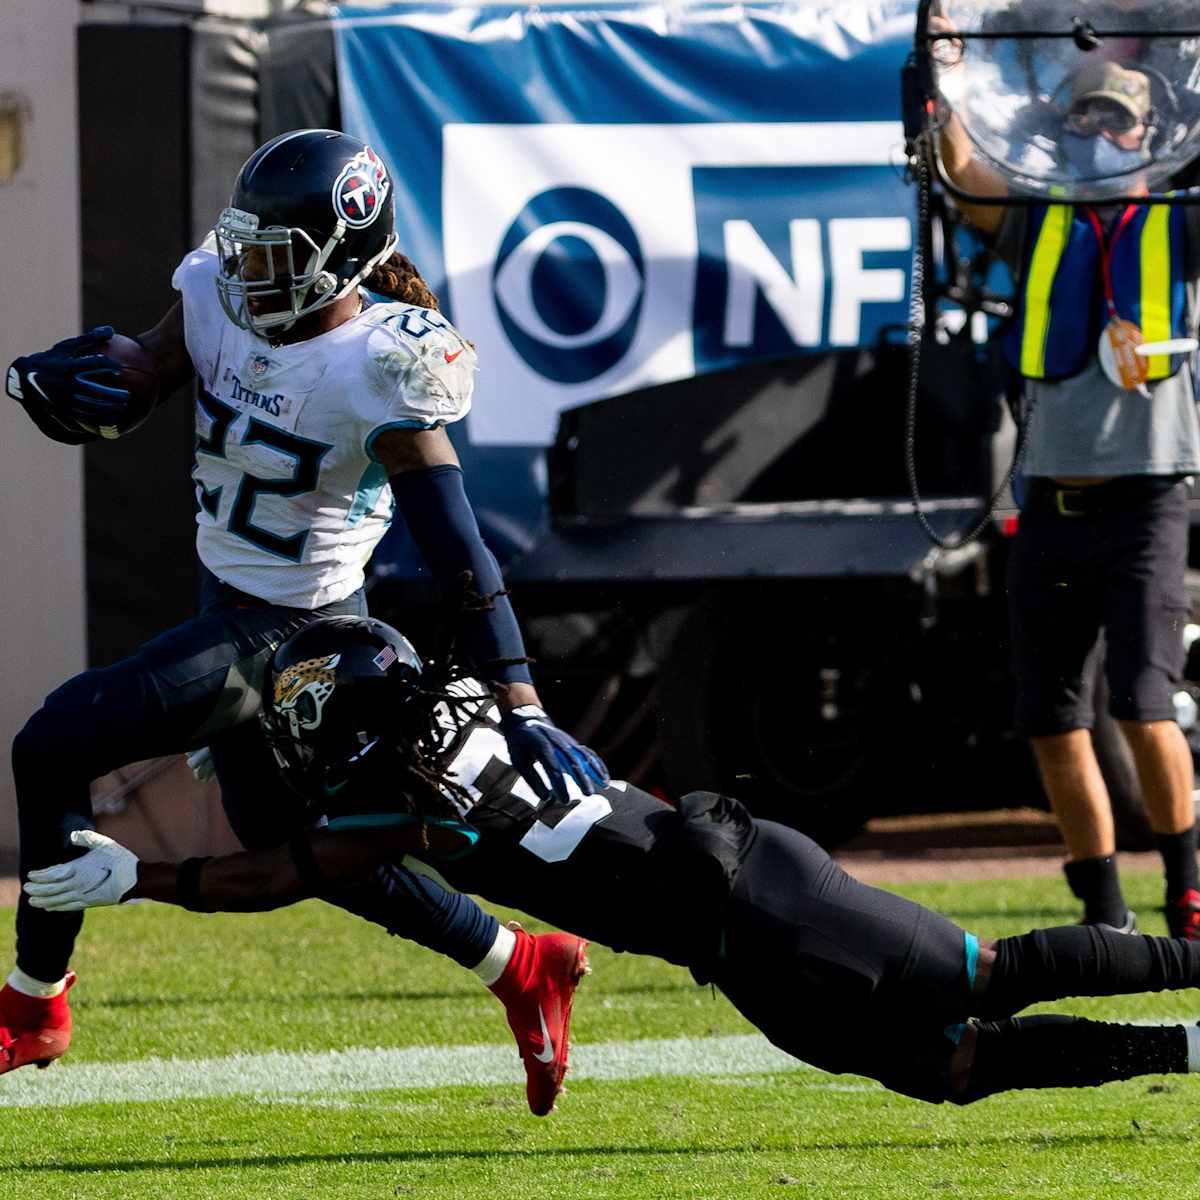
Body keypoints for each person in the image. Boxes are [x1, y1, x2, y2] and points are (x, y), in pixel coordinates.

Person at [0, 129, 607, 1108]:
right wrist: (84, 387)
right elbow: (152, 368)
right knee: (288, 841)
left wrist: (519, 689)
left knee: (51, 745)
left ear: (345, 253)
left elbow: (457, 542)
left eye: (274, 256)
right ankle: (517, 962)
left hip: (294, 627)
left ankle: (34, 1005)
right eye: (241, 247)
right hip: (223, 595)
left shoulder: (381, 362)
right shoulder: (214, 288)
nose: (246, 272)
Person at [27, 613, 1200, 1106]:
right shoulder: (465, 711)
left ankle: (1193, 968)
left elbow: (282, 871)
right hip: (731, 932)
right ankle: (1186, 1047)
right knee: (942, 1071)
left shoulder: (424, 815)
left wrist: (147, 878)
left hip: (751, 895)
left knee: (980, 981)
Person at [936, 45, 1200, 937]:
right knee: (1050, 720)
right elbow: (968, 181)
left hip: (1148, 502)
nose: (1099, 133)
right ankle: (1102, 910)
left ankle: (1188, 888)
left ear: (1149, 133)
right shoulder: (1037, 215)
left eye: (1115, 119)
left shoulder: (1180, 219)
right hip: (1049, 498)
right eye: (1083, 117)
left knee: (1142, 704)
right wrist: (945, 82)